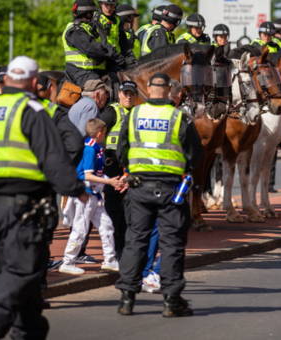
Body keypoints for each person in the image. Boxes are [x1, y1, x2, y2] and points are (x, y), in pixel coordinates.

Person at [0, 56, 85, 340]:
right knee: (22, 270)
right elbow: (54, 155)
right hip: (27, 205)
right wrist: (75, 188)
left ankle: (28, 330)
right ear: (34, 80)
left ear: (5, 80)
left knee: (11, 268)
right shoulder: (33, 109)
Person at [115, 72, 203, 317]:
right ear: (167, 91)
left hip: (138, 187)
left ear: (149, 90)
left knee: (135, 240)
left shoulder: (134, 115)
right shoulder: (178, 117)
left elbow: (122, 149)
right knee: (171, 243)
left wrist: (130, 169)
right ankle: (171, 301)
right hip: (170, 189)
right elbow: (195, 155)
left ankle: (127, 298)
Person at [59, 119, 124, 275]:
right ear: (100, 132)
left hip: (95, 195)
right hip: (86, 195)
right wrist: (109, 181)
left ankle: (110, 260)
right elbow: (88, 175)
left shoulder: (95, 148)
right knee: (80, 228)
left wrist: (112, 181)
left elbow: (98, 173)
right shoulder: (90, 149)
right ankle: (67, 261)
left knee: (106, 225)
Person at [100, 80, 138, 259]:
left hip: (131, 166)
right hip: (112, 165)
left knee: (129, 211)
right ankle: (115, 251)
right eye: (125, 93)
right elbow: (97, 131)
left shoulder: (138, 113)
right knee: (113, 210)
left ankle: (125, 250)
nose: (128, 97)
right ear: (119, 94)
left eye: (131, 94)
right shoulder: (112, 111)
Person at [63, 0, 123, 88]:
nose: (94, 15)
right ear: (86, 14)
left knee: (119, 83)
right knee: (99, 90)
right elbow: (92, 49)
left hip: (96, 71)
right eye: (92, 13)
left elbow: (104, 43)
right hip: (80, 73)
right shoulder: (75, 30)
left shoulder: (90, 29)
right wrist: (110, 54)